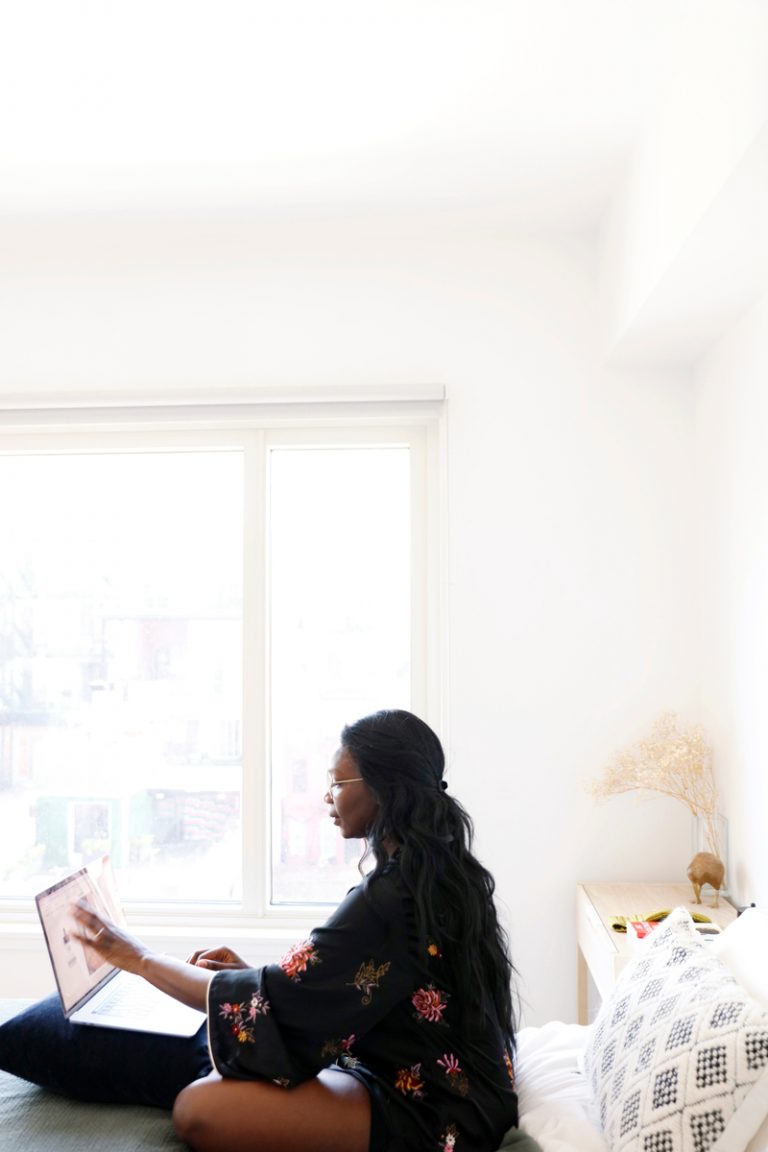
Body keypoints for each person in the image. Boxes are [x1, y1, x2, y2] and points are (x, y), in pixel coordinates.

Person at [72, 709, 519, 1152]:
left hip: (439, 1109)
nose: (327, 797)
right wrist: (261, 977)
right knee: (221, 1076)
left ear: (385, 789)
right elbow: (356, 984)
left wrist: (140, 959)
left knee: (199, 1110)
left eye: (337, 784)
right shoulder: (436, 872)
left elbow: (294, 992)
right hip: (451, 1085)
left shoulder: (392, 896)